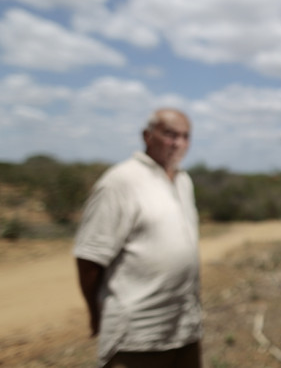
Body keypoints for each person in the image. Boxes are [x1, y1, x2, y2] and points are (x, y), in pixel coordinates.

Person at [74, 108, 202, 368]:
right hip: (137, 333)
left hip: (184, 327)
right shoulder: (120, 181)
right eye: (170, 134)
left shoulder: (183, 180)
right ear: (147, 136)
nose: (178, 143)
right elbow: (89, 258)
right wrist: (96, 312)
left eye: (185, 136)